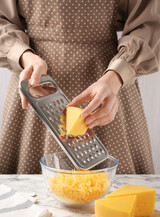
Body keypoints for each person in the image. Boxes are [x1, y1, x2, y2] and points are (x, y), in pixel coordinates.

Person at [0, 0, 159, 174]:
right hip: (36, 83)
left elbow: (150, 23)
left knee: (114, 195)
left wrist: (114, 78)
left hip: (107, 87)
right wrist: (25, 57)